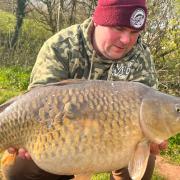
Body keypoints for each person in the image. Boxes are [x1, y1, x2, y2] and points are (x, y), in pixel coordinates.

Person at [2, 0, 168, 179]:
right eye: (119, 28)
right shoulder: (61, 46)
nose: (127, 40)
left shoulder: (140, 56)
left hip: (116, 144)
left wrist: (152, 136)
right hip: (61, 139)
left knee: (145, 158)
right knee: (20, 168)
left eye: (134, 32)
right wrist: (26, 135)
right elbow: (38, 103)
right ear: (98, 21)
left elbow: (151, 109)